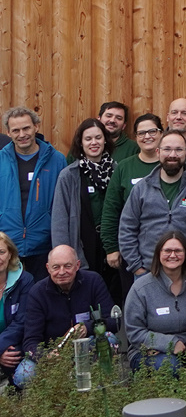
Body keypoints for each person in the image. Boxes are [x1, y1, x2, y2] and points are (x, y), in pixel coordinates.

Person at [12, 245, 118, 387]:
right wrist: (46, 356)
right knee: (23, 376)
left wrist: (87, 327)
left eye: (67, 266)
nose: (62, 272)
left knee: (109, 339)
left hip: (87, 345)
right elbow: (30, 341)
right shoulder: (37, 293)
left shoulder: (93, 281)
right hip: (53, 352)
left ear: (77, 265)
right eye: (56, 267)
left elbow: (114, 322)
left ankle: (104, 389)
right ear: (48, 268)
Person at [118, 130, 186, 278]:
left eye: (178, 150)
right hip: (147, 273)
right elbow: (127, 229)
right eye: (167, 149)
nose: (172, 154)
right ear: (158, 152)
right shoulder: (141, 188)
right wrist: (137, 267)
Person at [51, 119, 119, 301]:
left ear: (105, 140)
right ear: (80, 142)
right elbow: (59, 218)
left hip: (112, 244)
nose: (94, 142)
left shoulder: (117, 170)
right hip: (82, 244)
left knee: (112, 296)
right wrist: (63, 254)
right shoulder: (69, 175)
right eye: (88, 139)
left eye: (98, 137)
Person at [125, 231, 186, 374]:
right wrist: (167, 344)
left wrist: (181, 342)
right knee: (170, 366)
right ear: (158, 254)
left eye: (178, 251)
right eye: (167, 251)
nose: (172, 255)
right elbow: (134, 332)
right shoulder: (141, 288)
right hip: (149, 352)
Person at [0, 107, 68, 280]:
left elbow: (64, 205)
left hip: (44, 246)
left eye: (26, 128)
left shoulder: (57, 160)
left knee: (41, 294)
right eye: (16, 130)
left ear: (36, 127)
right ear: (8, 132)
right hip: (7, 247)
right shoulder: (1, 160)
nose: (22, 134)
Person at [101, 114, 164, 295]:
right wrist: (112, 248)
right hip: (133, 254)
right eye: (141, 133)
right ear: (135, 137)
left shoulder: (173, 163)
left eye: (152, 131)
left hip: (173, 253)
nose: (147, 136)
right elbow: (111, 209)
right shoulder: (124, 167)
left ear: (161, 133)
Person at [0, 233, 35, 382]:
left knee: (13, 356)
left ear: (10, 254)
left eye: (1, 252)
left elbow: (22, 321)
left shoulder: (25, 280)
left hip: (14, 343)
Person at [68, 102, 137, 163]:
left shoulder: (133, 148)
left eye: (118, 118)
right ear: (99, 119)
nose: (112, 120)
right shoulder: (81, 146)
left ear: (124, 125)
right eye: (109, 116)